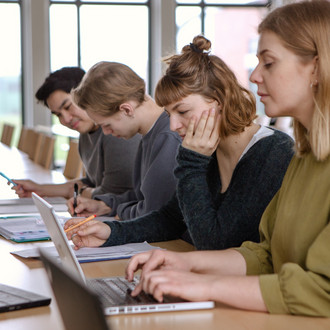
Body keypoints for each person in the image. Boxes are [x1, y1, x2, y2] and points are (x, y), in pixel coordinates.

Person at [123, 1, 330, 317]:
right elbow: (265, 256)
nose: (255, 75)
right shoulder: (306, 157)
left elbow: (321, 290)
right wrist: (186, 262)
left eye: (269, 63)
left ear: (316, 68)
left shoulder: (280, 153)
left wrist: (205, 286)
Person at [65, 35, 294, 250]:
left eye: (182, 111)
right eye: (169, 113)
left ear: (220, 101)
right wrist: (111, 231)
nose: (173, 125)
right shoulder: (210, 151)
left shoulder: (272, 151)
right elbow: (170, 218)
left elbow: (213, 243)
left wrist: (192, 163)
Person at [66, 61, 181, 220]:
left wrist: (120, 213)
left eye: (107, 125)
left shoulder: (168, 136)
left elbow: (152, 213)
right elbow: (141, 195)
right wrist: (104, 206)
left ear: (127, 109)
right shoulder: (148, 133)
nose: (106, 133)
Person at [12, 67, 140, 200]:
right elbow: (91, 183)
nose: (65, 119)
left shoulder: (116, 133)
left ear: (87, 95)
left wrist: (75, 192)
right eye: (58, 115)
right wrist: (39, 189)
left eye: (68, 107)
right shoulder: (86, 135)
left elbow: (110, 196)